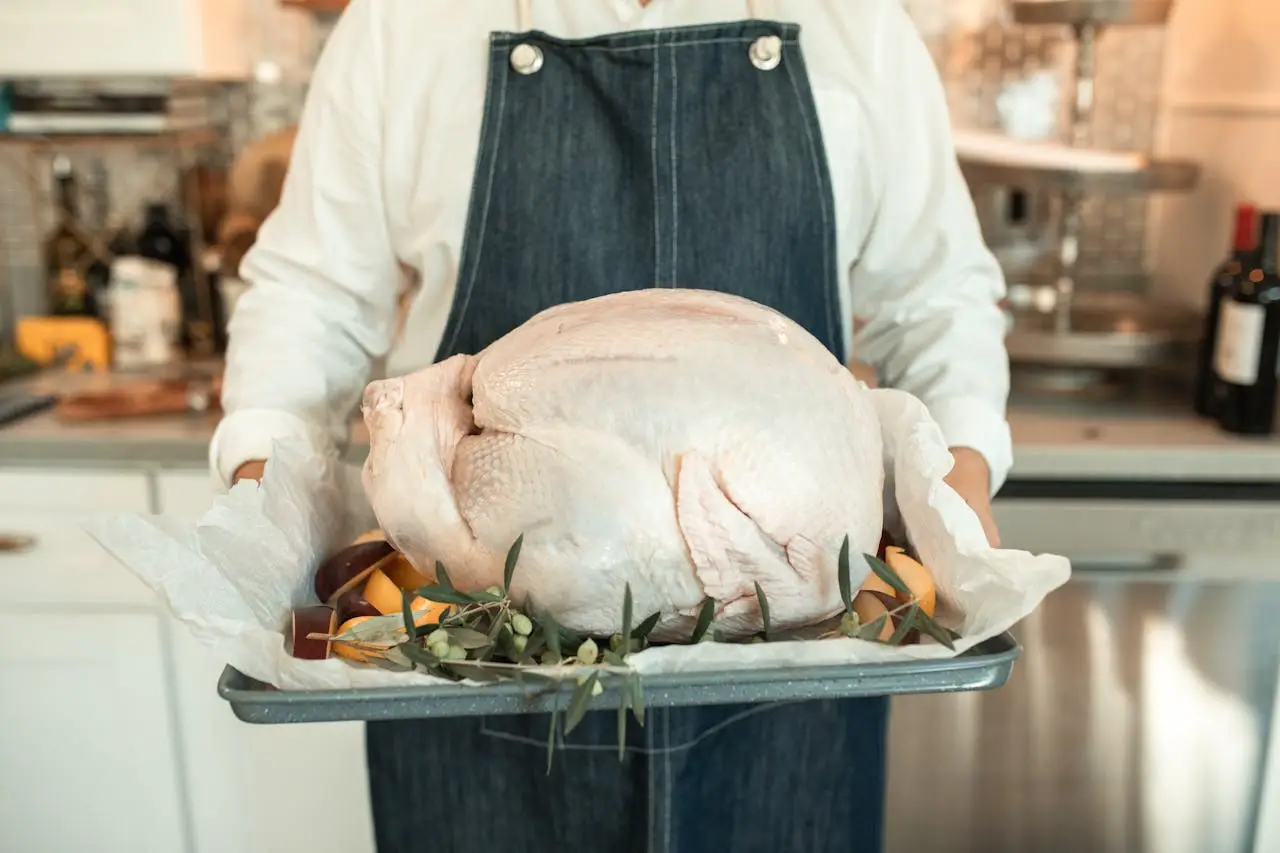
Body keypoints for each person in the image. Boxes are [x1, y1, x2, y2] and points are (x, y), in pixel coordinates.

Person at [214, 1, 1011, 850]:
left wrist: (958, 505)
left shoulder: (853, 22)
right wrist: (261, 503)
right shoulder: (404, 23)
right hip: (477, 673)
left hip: (794, 670)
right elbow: (313, 295)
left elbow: (937, 301)